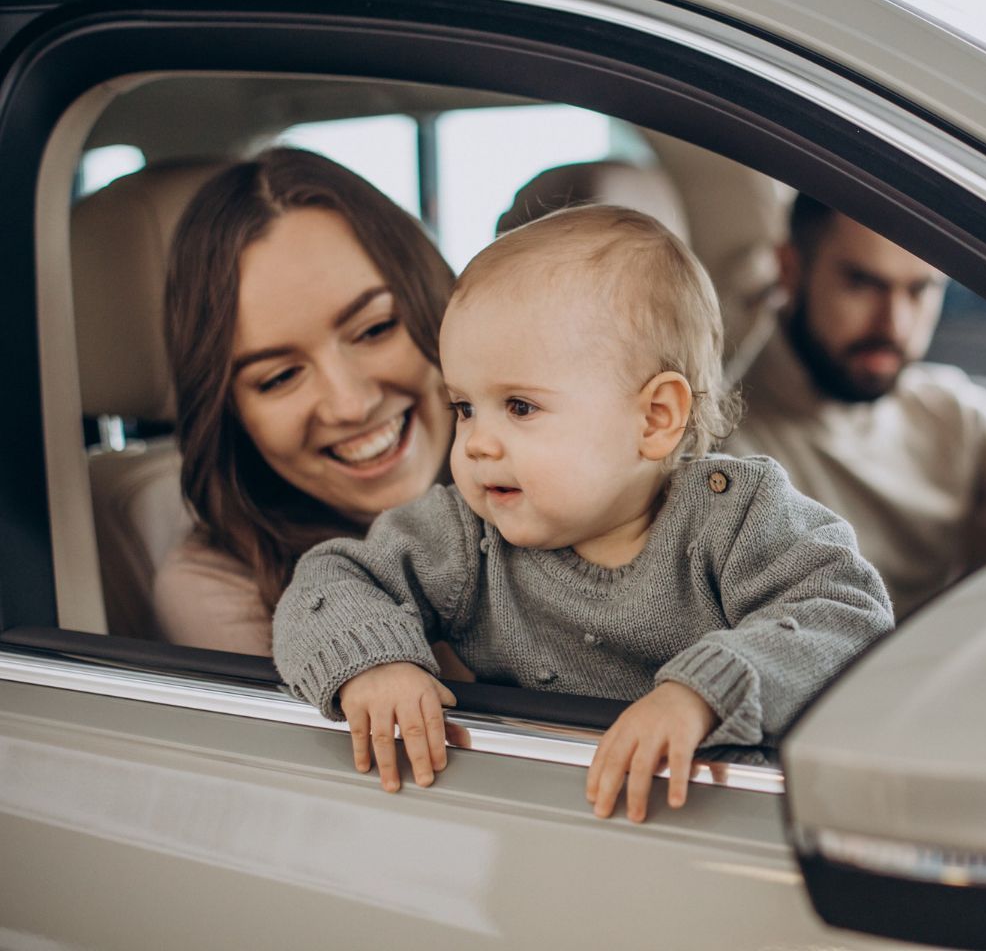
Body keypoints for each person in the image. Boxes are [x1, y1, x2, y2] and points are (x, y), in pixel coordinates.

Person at [273, 205, 893, 822]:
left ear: (654, 418)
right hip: (536, 816)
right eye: (464, 407)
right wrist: (375, 661)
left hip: (711, 817)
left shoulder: (735, 516)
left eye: (519, 407)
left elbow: (846, 612)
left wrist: (703, 690)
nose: (477, 443)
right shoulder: (468, 536)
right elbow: (330, 579)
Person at [728, 193, 986, 616]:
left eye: (920, 290)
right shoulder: (728, 454)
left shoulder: (944, 409)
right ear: (790, 270)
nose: (894, 324)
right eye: (861, 284)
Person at [156, 147, 468, 681]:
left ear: (438, 303)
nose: (352, 403)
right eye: (279, 377)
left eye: (375, 329)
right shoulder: (222, 589)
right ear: (230, 412)